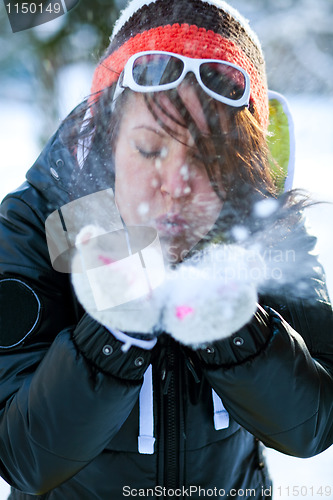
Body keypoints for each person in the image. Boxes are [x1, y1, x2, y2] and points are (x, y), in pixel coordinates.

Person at [0, 0, 333, 498]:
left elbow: (311, 428)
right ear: (107, 139)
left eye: (210, 156)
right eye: (150, 148)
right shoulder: (38, 225)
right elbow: (22, 457)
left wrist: (234, 327)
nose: (176, 183)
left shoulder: (267, 230)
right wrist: (113, 333)